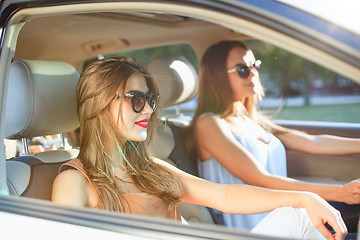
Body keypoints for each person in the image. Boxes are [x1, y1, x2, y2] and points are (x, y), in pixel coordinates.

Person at [52, 57, 347, 240]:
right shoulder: (74, 182)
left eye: (150, 99)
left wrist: (307, 197)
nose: (148, 110)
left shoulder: (148, 167)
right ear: (99, 104)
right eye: (136, 99)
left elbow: (224, 195)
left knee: (301, 214)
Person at [187, 40, 360, 233]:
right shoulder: (209, 123)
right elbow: (262, 180)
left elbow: (314, 142)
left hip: (288, 216)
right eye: (242, 69)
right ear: (217, 76)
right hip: (260, 229)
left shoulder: (249, 119)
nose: (253, 73)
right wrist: (341, 193)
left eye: (255, 66)